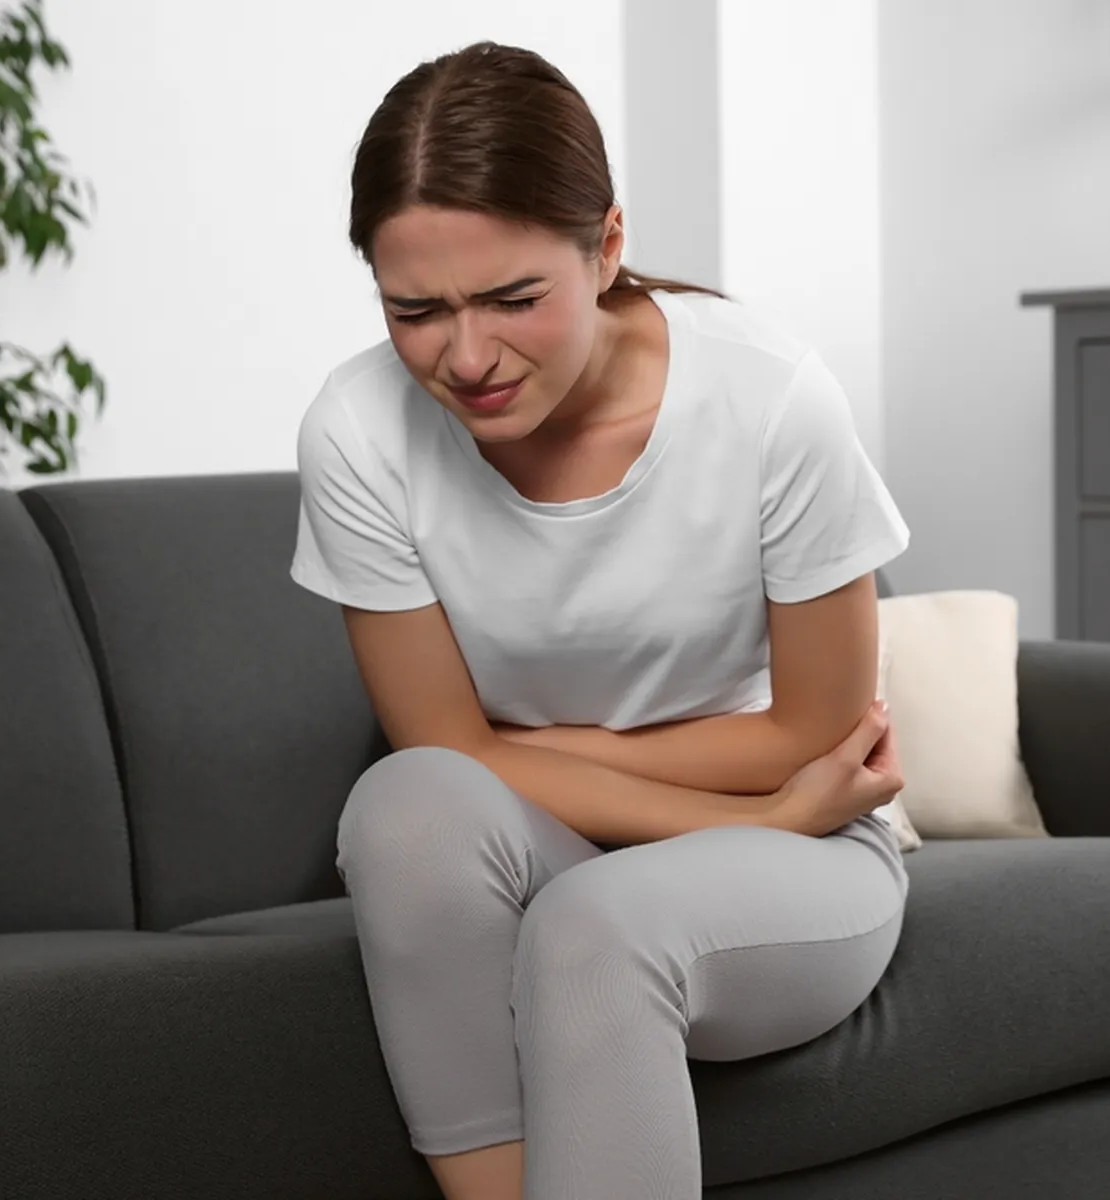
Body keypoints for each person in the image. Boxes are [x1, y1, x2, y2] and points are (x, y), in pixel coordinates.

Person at [290, 40, 911, 1200]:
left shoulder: (771, 398)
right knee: (405, 807)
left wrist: (775, 817)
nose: (466, 357)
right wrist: (484, 763)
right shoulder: (357, 430)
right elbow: (444, 764)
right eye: (413, 310)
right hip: (592, 838)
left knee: (595, 926)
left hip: (805, 849)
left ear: (608, 245)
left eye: (514, 299)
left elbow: (811, 736)